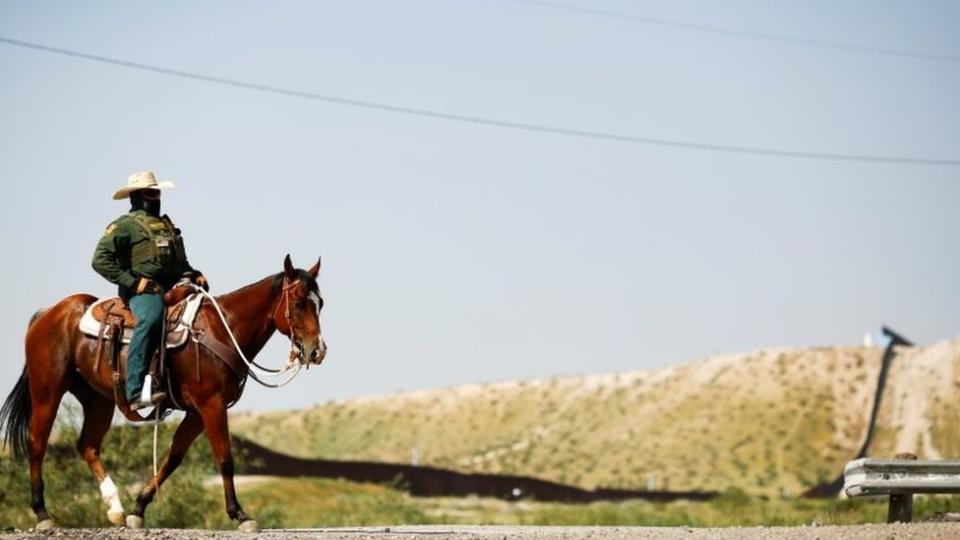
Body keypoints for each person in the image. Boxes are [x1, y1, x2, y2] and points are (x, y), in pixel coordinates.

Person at [92, 171, 209, 410]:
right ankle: (134, 390)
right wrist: (134, 283)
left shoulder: (166, 225)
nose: (156, 198)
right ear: (136, 197)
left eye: (157, 192)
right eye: (150, 193)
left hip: (176, 286)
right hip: (144, 291)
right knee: (151, 319)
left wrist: (194, 273)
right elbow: (100, 260)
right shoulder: (124, 226)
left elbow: (178, 262)